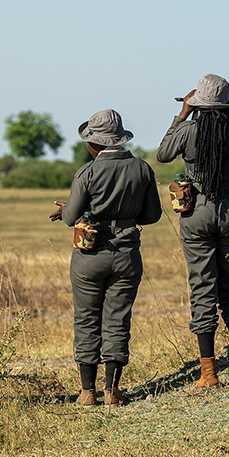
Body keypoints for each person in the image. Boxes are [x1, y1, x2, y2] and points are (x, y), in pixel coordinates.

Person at [49, 109, 162, 407]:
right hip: (127, 254)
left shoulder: (86, 172)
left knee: (87, 319)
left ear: (92, 144)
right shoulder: (142, 169)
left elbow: (72, 216)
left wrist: (67, 210)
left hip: (89, 255)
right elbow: (152, 215)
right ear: (121, 139)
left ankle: (87, 392)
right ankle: (112, 391)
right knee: (117, 319)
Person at [157, 74, 229, 389]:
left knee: (202, 286)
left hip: (196, 210)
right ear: (227, 104)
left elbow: (162, 154)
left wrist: (181, 115)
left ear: (196, 103)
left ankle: (208, 373)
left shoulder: (187, 129)